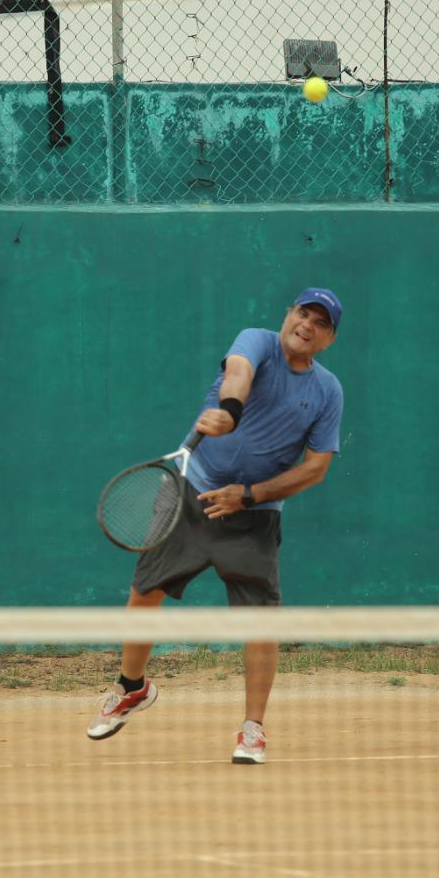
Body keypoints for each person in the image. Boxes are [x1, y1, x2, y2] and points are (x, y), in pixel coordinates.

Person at [86, 288, 346, 764]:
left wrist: (248, 495)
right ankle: (131, 688)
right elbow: (238, 375)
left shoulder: (328, 390)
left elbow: (316, 468)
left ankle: (252, 729)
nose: (307, 324)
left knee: (259, 623)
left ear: (328, 339)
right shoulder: (256, 341)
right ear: (288, 315)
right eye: (302, 313)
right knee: (146, 591)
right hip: (193, 489)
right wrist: (230, 412)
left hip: (255, 514)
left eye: (320, 323)